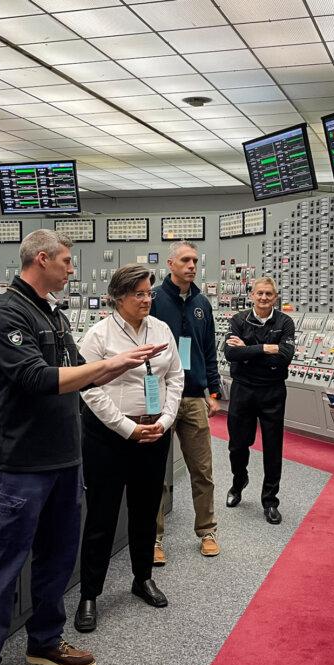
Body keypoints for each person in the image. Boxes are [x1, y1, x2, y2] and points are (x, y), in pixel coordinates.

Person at [0, 230, 166, 665]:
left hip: (62, 459)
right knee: (4, 563)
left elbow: (80, 371)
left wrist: (126, 366)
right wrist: (111, 361)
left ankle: (45, 640)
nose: (72, 269)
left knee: (57, 557)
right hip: (23, 463)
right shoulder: (6, 314)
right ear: (41, 259)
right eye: (67, 261)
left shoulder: (51, 314)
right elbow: (36, 379)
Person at [74, 264, 183, 633]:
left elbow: (175, 377)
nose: (146, 299)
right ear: (119, 297)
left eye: (149, 293)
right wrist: (127, 428)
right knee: (102, 516)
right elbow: (89, 388)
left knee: (145, 511)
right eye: (139, 294)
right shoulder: (98, 335)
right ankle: (90, 593)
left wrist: (165, 421)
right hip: (109, 436)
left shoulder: (162, 329)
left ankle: (142, 578)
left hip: (154, 432)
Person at [149, 240, 221, 563]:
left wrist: (213, 392)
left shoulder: (202, 304)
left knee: (202, 469)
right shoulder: (152, 300)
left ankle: (207, 531)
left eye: (195, 260)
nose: (192, 265)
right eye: (185, 260)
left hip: (192, 397)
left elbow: (208, 351)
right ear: (170, 264)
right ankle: (154, 538)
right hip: (160, 396)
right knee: (155, 472)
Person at [222, 277, 296, 525]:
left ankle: (270, 501)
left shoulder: (285, 322)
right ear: (252, 295)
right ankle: (238, 482)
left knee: (273, 448)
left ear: (276, 297)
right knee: (237, 445)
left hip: (272, 392)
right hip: (243, 390)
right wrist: (266, 348)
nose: (264, 298)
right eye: (260, 293)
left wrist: (249, 350)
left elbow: (284, 357)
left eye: (269, 294)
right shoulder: (238, 320)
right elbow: (231, 352)